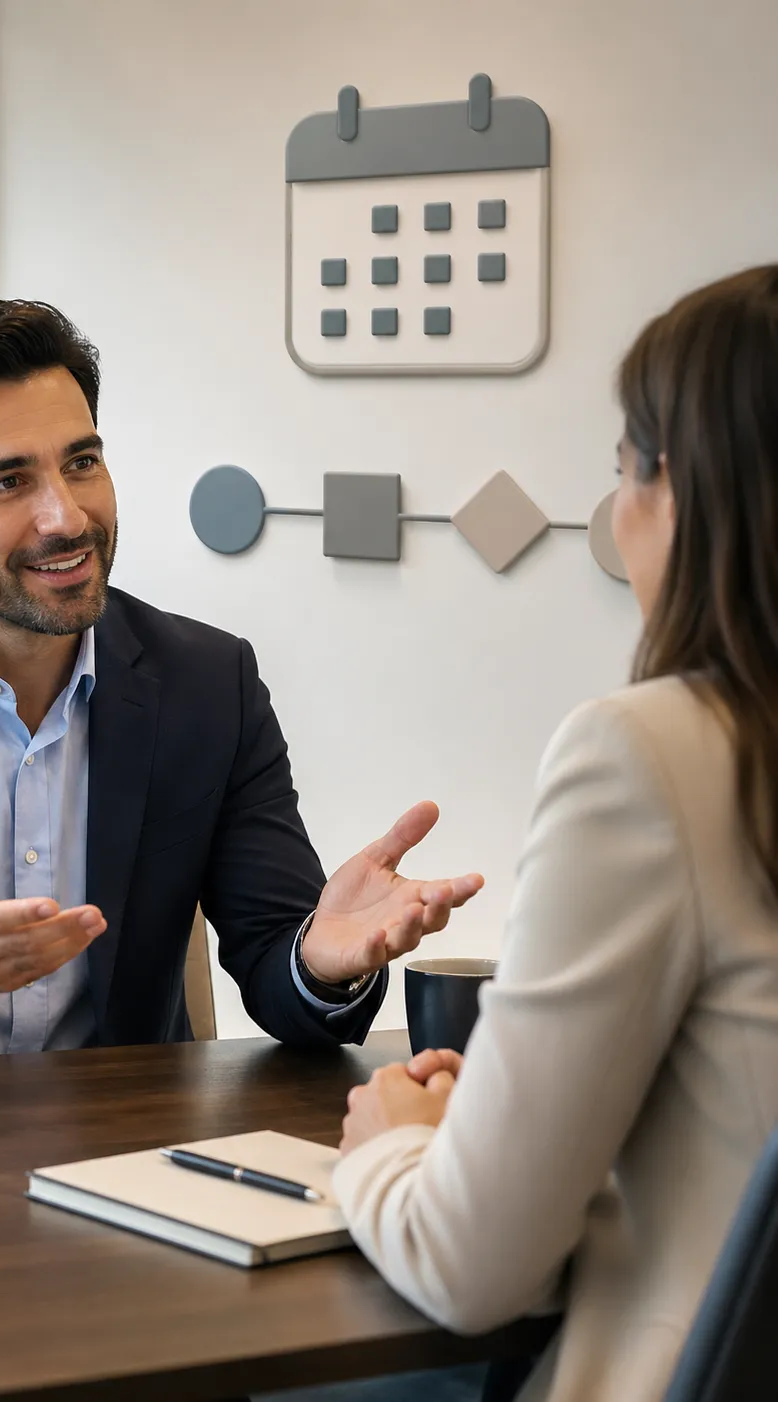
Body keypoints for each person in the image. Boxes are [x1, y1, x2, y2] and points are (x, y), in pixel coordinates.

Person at [0, 298, 483, 1069]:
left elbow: (279, 967)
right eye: (9, 482)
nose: (68, 517)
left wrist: (318, 961)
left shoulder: (208, 684)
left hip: (122, 1137)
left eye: (81, 463)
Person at [322, 264, 778, 1402]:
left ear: (687, 492)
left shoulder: (655, 753)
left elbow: (469, 1266)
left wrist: (395, 1139)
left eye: (625, 468)